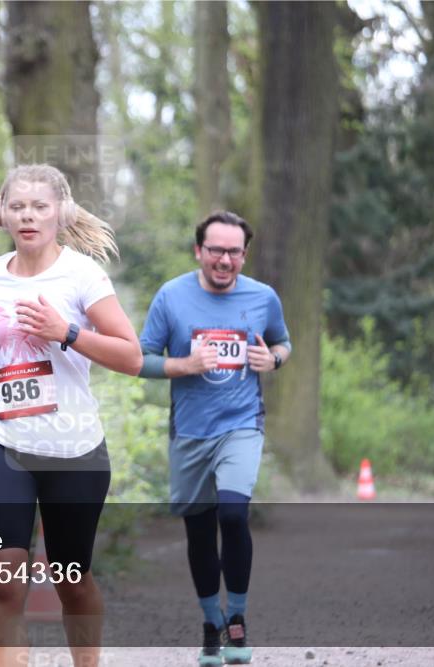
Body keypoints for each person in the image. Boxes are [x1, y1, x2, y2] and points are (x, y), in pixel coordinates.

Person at [0, 164, 142, 667]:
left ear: (59, 213)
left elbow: (131, 357)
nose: (28, 215)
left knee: (71, 580)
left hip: (73, 448)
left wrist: (66, 331)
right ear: (1, 214)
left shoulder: (82, 275)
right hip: (3, 439)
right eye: (17, 206)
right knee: (4, 580)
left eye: (40, 206)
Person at [138, 210, 291, 666]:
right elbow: (140, 358)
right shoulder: (172, 296)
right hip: (189, 430)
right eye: (215, 251)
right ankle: (211, 622)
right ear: (198, 251)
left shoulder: (263, 297)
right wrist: (184, 365)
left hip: (241, 423)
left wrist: (275, 360)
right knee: (199, 530)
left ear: (244, 254)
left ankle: (237, 620)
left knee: (232, 513)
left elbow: (283, 342)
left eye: (234, 252)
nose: (224, 260)